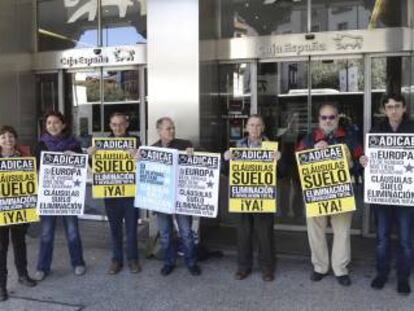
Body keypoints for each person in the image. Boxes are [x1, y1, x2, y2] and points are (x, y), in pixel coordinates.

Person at [296, 103, 363, 286]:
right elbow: (298, 163)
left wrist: (350, 164)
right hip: (316, 193)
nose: (328, 121)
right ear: (319, 120)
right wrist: (313, 151)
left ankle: (340, 269)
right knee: (315, 231)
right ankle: (320, 267)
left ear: (337, 118)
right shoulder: (308, 139)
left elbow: (361, 161)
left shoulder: (349, 138)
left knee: (342, 232)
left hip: (341, 193)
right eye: (324, 117)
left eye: (331, 117)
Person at [360, 94, 414, 295]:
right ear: (384, 110)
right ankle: (382, 274)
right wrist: (364, 161)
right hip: (382, 195)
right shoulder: (376, 130)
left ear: (404, 108)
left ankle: (403, 277)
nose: (393, 110)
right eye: (389, 107)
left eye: (397, 106)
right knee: (382, 238)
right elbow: (368, 159)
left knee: (406, 240)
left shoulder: (412, 129)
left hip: (406, 195)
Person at [224, 115, 281, 282]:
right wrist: (226, 159)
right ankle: (243, 267)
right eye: (251, 125)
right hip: (242, 196)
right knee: (243, 234)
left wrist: (279, 160)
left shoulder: (271, 147)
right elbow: (227, 172)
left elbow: (283, 173)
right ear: (246, 128)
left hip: (262, 197)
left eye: (258, 125)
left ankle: (267, 269)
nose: (254, 129)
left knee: (265, 235)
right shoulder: (237, 146)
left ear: (263, 128)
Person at [33, 111, 86, 281]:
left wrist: (77, 157)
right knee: (46, 233)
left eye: (56, 122)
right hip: (48, 196)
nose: (52, 126)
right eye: (49, 123)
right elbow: (35, 170)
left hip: (69, 197)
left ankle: (78, 263)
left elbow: (84, 168)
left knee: (72, 231)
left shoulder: (74, 145)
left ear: (63, 125)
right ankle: (43, 267)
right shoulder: (41, 145)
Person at [87, 112, 141, 275]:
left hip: (130, 193)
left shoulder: (135, 142)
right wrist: (89, 156)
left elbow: (142, 164)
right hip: (111, 194)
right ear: (110, 126)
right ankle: (116, 260)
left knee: (131, 229)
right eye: (114, 124)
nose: (118, 127)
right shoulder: (101, 144)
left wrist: (138, 156)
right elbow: (93, 167)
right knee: (115, 229)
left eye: (121, 124)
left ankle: (132, 259)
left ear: (127, 125)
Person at [151, 117, 201, 276]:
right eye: (168, 128)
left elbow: (201, 162)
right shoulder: (152, 149)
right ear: (159, 131)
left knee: (186, 232)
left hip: (181, 197)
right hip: (162, 198)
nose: (172, 131)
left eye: (173, 128)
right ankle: (169, 262)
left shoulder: (185, 145)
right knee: (165, 233)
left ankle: (191, 262)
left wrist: (193, 154)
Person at [0, 126, 37, 301]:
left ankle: (23, 275)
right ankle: (1, 286)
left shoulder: (25, 157)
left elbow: (33, 180)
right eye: (4, 137)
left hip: (20, 208)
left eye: (11, 137)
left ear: (15, 139)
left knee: (20, 244)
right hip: (1, 211)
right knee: (1, 249)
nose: (8, 140)